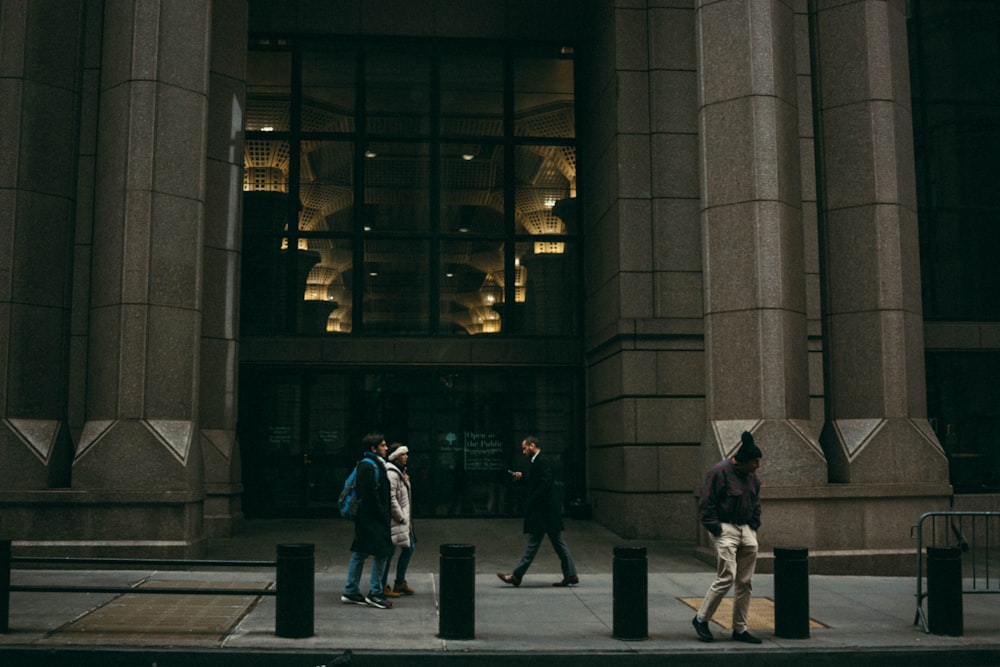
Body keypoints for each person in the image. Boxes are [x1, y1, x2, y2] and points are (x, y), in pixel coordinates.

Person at [692, 430, 763, 643]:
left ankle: (740, 629)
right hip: (725, 528)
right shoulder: (720, 472)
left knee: (745, 581)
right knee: (727, 576)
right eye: (755, 461)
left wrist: (753, 526)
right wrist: (716, 529)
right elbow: (706, 502)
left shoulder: (753, 478)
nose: (757, 465)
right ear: (742, 462)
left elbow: (756, 502)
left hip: (746, 529)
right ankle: (701, 618)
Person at [497, 435, 579, 587]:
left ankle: (516, 576)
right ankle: (571, 574)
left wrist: (531, 500)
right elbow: (539, 483)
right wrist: (523, 478)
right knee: (557, 544)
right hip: (546, 512)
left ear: (532, 445)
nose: (523, 452)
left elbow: (545, 484)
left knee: (534, 544)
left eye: (524, 448)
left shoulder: (542, 461)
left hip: (544, 512)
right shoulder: (538, 461)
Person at [340, 432, 394, 609]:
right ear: (374, 448)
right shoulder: (369, 467)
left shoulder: (370, 465)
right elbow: (370, 496)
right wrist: (384, 515)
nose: (386, 448)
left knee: (360, 553)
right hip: (372, 519)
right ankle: (375, 593)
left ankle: (351, 590)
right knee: (381, 553)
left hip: (366, 519)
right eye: (383, 445)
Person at [381, 442, 416, 598]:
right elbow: (391, 498)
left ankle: (399, 581)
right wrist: (401, 516)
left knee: (409, 547)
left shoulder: (400, 473)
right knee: (390, 552)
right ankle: (383, 584)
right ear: (396, 457)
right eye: (403, 454)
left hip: (403, 520)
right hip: (397, 520)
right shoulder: (391, 473)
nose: (406, 457)